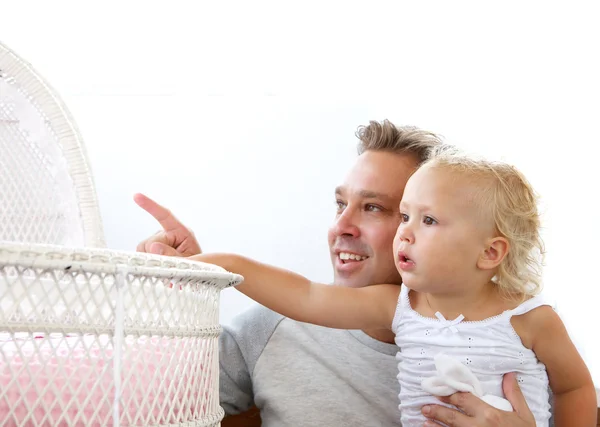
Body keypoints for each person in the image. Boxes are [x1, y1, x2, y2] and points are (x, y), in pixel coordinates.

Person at [135, 120, 542, 426]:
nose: (342, 227)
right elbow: (142, 404)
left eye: (374, 208)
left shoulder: (509, 345)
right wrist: (187, 289)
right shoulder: (275, 328)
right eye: (339, 205)